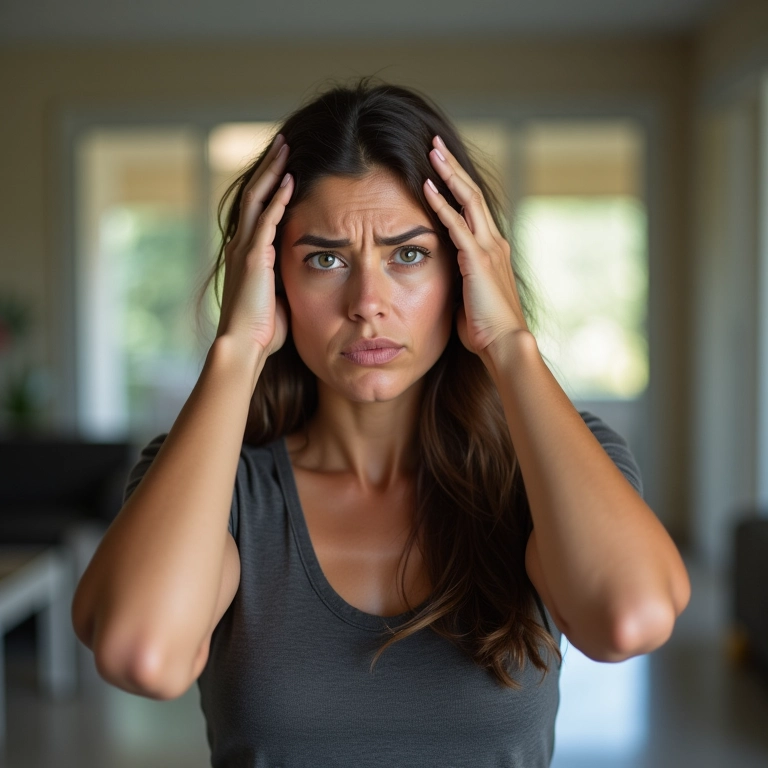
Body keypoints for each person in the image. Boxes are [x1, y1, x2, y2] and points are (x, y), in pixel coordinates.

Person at [72, 76, 691, 767]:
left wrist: (510, 346)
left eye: (409, 254)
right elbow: (141, 655)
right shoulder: (220, 486)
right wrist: (236, 350)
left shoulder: (550, 469)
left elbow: (628, 620)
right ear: (273, 279)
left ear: (466, 270)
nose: (369, 302)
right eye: (326, 258)